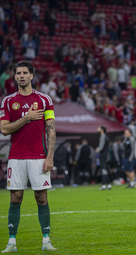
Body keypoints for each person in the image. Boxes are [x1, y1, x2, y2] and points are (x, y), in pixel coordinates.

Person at [0, 60, 57, 252]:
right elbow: (4, 129)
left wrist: (50, 157)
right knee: (15, 197)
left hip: (39, 156)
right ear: (14, 77)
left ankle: (46, 240)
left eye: (25, 73)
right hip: (16, 157)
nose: (22, 76)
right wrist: (26, 118)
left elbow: (51, 130)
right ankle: (12, 242)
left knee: (41, 197)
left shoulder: (44, 100)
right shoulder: (8, 101)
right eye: (18, 73)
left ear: (32, 76)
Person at [96, 126, 111, 190]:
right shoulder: (106, 136)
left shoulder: (103, 136)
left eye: (98, 128)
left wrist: (97, 149)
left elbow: (101, 147)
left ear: (102, 130)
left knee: (103, 170)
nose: (97, 129)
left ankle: (104, 184)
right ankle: (108, 184)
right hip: (105, 155)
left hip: (103, 155)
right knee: (105, 170)